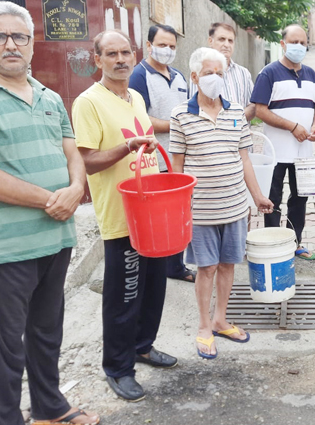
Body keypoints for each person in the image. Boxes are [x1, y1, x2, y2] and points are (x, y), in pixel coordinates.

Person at [0, 1, 99, 424]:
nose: (10, 44)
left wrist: (76, 187)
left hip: (56, 239)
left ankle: (50, 409)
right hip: (8, 245)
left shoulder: (50, 97)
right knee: (5, 348)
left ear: (32, 44)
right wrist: (52, 200)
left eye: (20, 36)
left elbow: (72, 153)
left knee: (47, 334)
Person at [73, 30, 177, 403]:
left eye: (125, 53)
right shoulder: (89, 102)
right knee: (124, 296)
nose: (121, 59)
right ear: (97, 59)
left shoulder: (133, 96)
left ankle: (143, 346)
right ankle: (118, 367)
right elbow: (85, 160)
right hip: (122, 218)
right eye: (111, 54)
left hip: (152, 211)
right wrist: (125, 147)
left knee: (154, 288)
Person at [169, 47, 274, 359]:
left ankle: (220, 319)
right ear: (195, 77)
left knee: (228, 265)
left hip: (235, 208)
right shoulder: (180, 115)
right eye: (208, 73)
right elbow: (177, 167)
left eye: (219, 73)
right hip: (199, 210)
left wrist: (257, 197)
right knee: (207, 267)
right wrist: (178, 208)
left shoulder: (236, 114)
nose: (215, 78)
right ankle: (204, 326)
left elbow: (245, 160)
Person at [251, 24, 315, 260]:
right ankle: (273, 245)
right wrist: (292, 126)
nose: (299, 47)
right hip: (276, 153)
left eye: (303, 43)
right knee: (272, 199)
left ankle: (295, 243)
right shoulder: (269, 73)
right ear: (283, 45)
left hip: (303, 154)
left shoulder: (311, 74)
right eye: (294, 42)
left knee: (299, 198)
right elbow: (260, 111)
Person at [128, 23, 195, 283]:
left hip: (179, 156)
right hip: (154, 159)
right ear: (148, 45)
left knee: (179, 212)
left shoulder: (179, 76)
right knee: (157, 216)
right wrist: (176, 124)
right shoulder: (139, 75)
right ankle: (157, 266)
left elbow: (188, 110)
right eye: (162, 45)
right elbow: (140, 116)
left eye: (172, 46)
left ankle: (175, 266)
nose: (167, 50)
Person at [205, 22, 256, 121]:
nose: (226, 45)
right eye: (222, 39)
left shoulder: (244, 74)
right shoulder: (201, 73)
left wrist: (234, 121)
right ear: (210, 41)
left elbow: (253, 106)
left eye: (230, 41)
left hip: (240, 134)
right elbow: (197, 110)